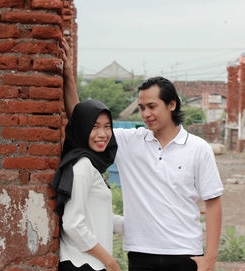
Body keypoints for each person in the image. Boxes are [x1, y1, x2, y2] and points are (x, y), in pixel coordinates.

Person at [60, 38, 223, 271]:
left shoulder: (198, 148)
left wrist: (210, 258)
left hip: (185, 253)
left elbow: (214, 203)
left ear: (172, 105)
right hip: (140, 254)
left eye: (152, 106)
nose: (146, 113)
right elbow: (84, 124)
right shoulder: (130, 141)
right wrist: (68, 78)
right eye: (142, 107)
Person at [50, 98, 123, 271]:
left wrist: (135, 225)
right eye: (95, 126)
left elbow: (98, 216)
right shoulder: (83, 167)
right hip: (82, 264)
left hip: (90, 263)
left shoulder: (90, 165)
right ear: (82, 128)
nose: (103, 134)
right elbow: (73, 224)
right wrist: (110, 261)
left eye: (107, 126)